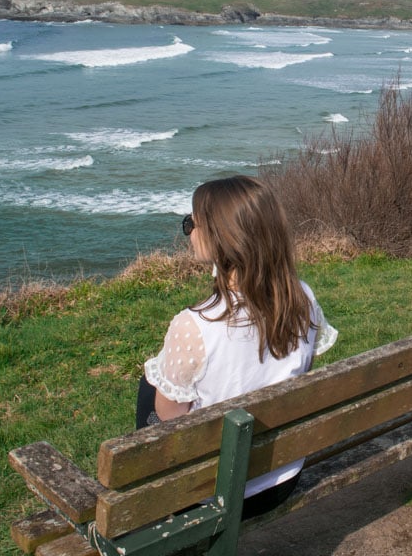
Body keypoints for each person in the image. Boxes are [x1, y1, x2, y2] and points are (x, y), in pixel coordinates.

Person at [136, 175, 338, 519]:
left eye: (192, 223)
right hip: (281, 476)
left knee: (150, 384)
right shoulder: (302, 297)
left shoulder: (195, 326)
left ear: (220, 239)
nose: (189, 231)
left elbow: (170, 418)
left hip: (215, 492)